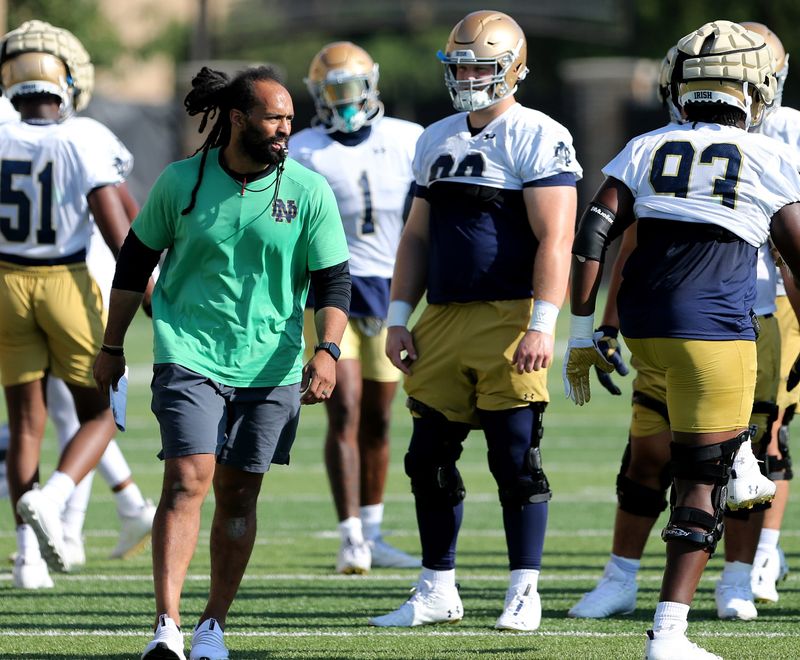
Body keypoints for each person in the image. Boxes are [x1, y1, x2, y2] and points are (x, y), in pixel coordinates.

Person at [93, 65, 350, 660]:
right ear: (237, 119)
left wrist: (327, 349)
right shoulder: (181, 182)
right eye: (274, 117)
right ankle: (166, 627)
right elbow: (133, 267)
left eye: (290, 117)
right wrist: (111, 347)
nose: (287, 127)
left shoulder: (309, 191)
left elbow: (333, 281)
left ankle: (212, 625)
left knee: (238, 495)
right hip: (188, 352)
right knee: (188, 479)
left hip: (273, 367)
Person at [563, 20, 800, 659]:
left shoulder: (645, 146)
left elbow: (595, 232)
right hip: (715, 330)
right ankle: (669, 634)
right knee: (702, 480)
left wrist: (582, 329)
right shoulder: (770, 155)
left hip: (646, 328)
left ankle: (742, 471)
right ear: (756, 90)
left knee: (678, 449)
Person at [368, 10, 581, 631]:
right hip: (442, 317)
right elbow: (415, 238)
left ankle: (524, 590)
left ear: (512, 69)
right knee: (427, 457)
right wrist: (399, 316)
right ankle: (437, 588)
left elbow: (556, 237)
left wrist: (543, 323)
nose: (465, 76)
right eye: (457, 65)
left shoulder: (537, 133)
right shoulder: (434, 136)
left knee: (515, 458)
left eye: (479, 65)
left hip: (509, 315)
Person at [0, 20, 133, 588]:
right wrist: (147, 288)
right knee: (99, 414)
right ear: (65, 88)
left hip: (6, 281)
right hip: (65, 281)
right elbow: (115, 229)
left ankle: (28, 559)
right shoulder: (83, 136)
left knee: (24, 421)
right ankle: (53, 499)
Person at [291, 41, 423, 574]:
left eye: (350, 88)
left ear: (370, 87)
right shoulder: (304, 149)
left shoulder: (408, 140)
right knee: (342, 409)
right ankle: (350, 536)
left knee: (379, 418)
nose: (343, 101)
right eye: (332, 91)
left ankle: (372, 530)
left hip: (390, 291)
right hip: (329, 290)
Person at [744, 21, 799, 604]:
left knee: (772, 433)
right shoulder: (697, 128)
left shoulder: (792, 130)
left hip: (781, 296)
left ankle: (762, 554)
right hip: (719, 293)